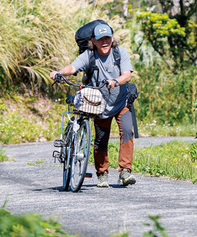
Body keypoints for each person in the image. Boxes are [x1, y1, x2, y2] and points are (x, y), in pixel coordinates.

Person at [50, 22, 136, 188]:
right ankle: (102, 173)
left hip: (120, 101)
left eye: (107, 38)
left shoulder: (120, 53)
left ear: (112, 39)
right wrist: (59, 72)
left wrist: (115, 81)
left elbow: (126, 76)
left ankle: (125, 172)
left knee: (127, 131)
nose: (104, 42)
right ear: (93, 41)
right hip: (99, 104)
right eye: (100, 39)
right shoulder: (89, 55)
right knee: (101, 139)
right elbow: (73, 67)